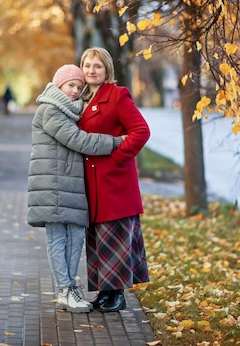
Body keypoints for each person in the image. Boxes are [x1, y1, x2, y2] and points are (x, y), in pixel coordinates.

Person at [27, 64, 124, 313]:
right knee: (58, 237)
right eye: (71, 85)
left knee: (76, 237)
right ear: (58, 84)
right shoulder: (50, 110)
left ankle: (69, 288)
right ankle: (65, 289)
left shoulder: (68, 111)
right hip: (54, 185)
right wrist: (115, 142)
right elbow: (79, 140)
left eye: (80, 88)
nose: (75, 91)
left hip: (67, 184)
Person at [78, 47, 151, 313]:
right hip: (93, 185)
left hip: (115, 183)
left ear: (107, 69)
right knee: (98, 239)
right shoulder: (84, 98)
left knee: (116, 237)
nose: (91, 70)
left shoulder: (118, 95)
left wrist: (118, 157)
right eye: (87, 65)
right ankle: (104, 292)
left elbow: (141, 131)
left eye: (97, 66)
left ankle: (117, 294)